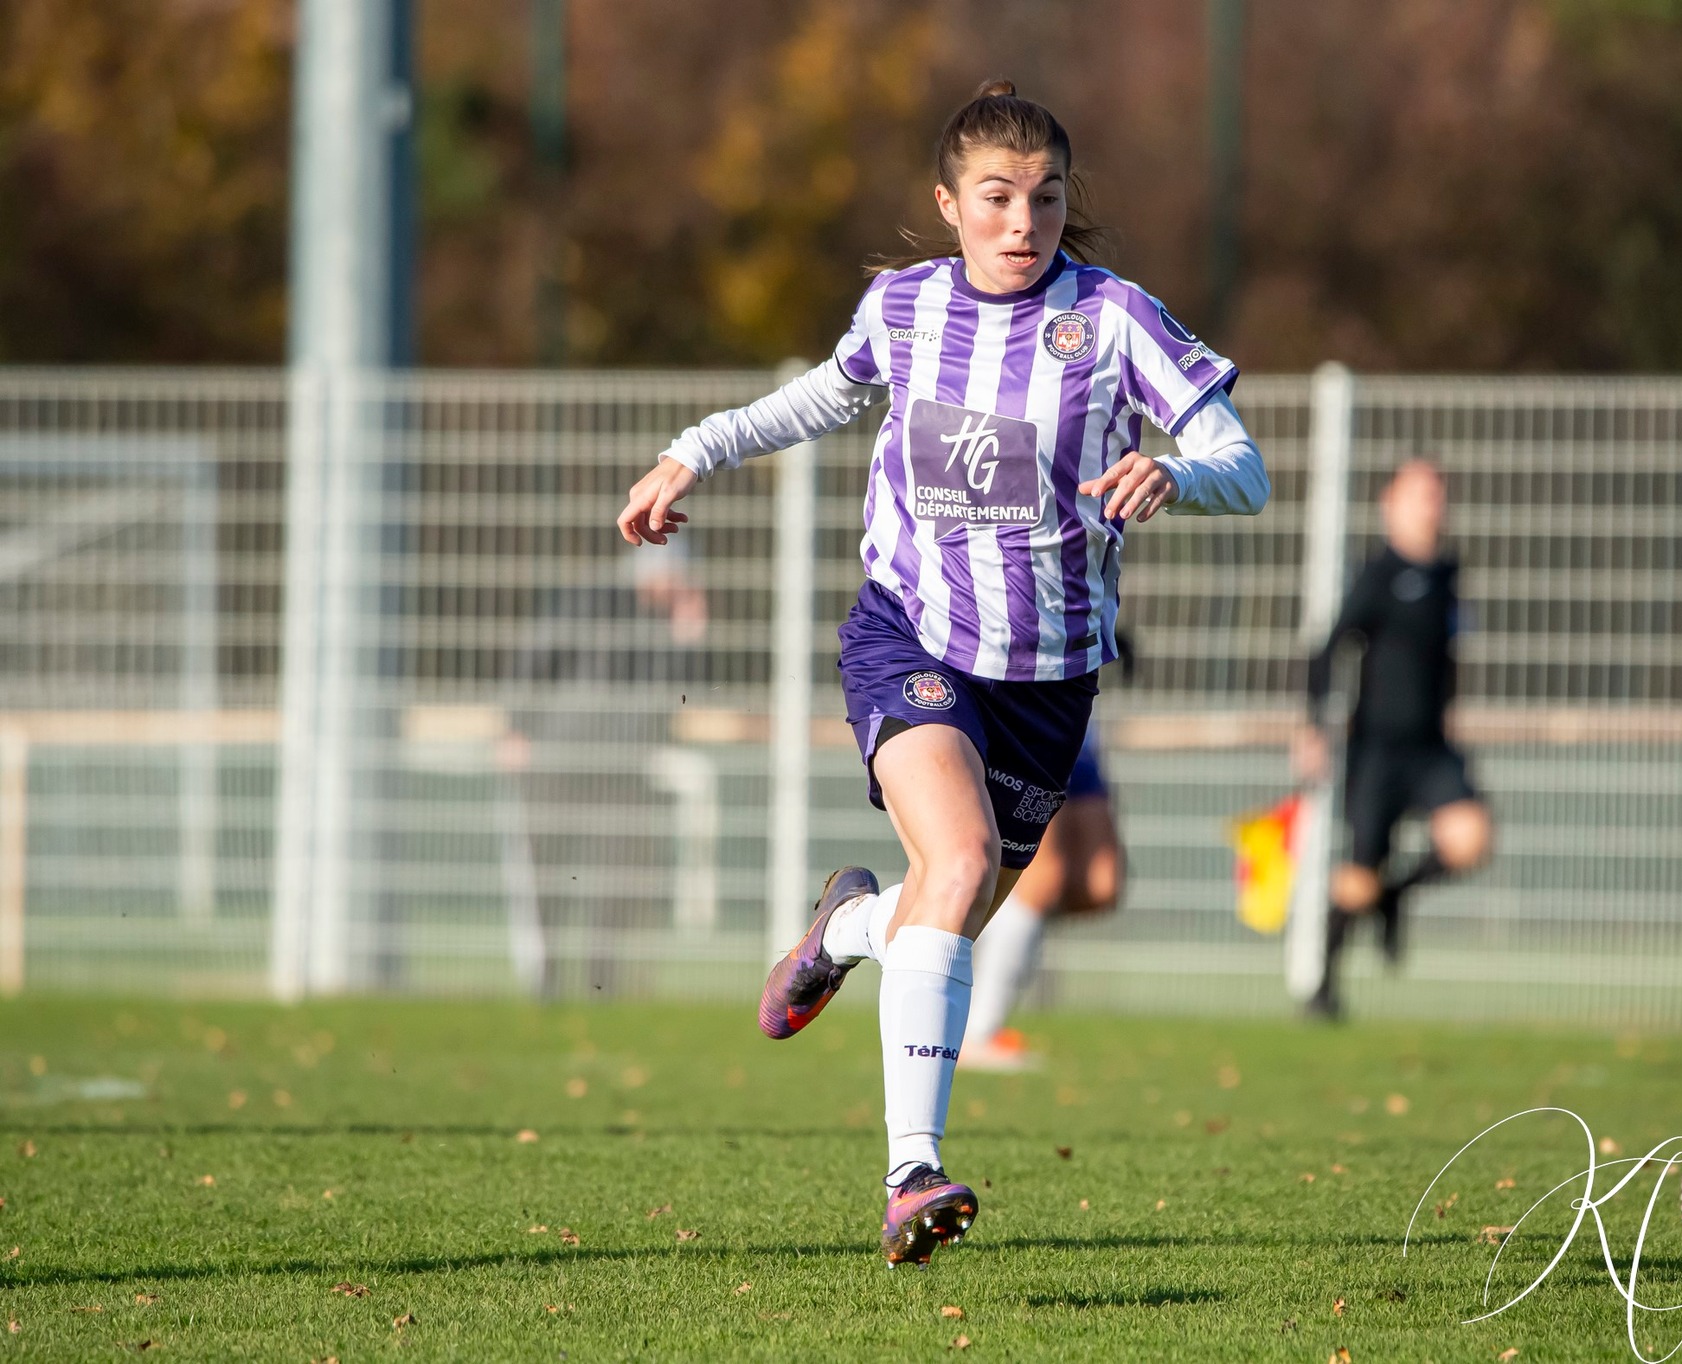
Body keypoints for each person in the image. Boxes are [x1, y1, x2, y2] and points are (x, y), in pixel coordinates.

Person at [616, 81, 1267, 1266]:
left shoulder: (1113, 319)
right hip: (907, 635)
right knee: (957, 858)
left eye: (1046, 198)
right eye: (997, 198)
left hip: (1048, 680)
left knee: (944, 908)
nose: (1023, 223)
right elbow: (827, 391)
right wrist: (692, 448)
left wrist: (1180, 474)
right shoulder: (905, 306)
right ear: (949, 205)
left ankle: (841, 928)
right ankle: (909, 1171)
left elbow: (1244, 460)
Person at [1296, 458, 1490, 1020]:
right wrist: (1314, 727)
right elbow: (1327, 648)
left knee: (1471, 840)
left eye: (1439, 494)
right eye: (1421, 495)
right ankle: (1321, 991)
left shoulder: (1448, 574)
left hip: (1431, 747)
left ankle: (1396, 895)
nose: (1434, 506)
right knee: (1357, 879)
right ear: (1392, 505)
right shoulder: (1380, 575)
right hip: (1377, 749)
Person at [497, 537, 707, 997]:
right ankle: (546, 984)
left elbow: (665, 704)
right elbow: (537, 657)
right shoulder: (591, 601)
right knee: (548, 882)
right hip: (557, 761)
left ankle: (601, 986)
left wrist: (684, 642)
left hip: (621, 772)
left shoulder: (664, 629)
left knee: (614, 885)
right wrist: (516, 727)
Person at [957, 710, 1123, 1073]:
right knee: (1042, 880)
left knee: (1101, 885)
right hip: (1031, 715)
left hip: (1077, 726)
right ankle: (979, 1032)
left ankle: (988, 935)